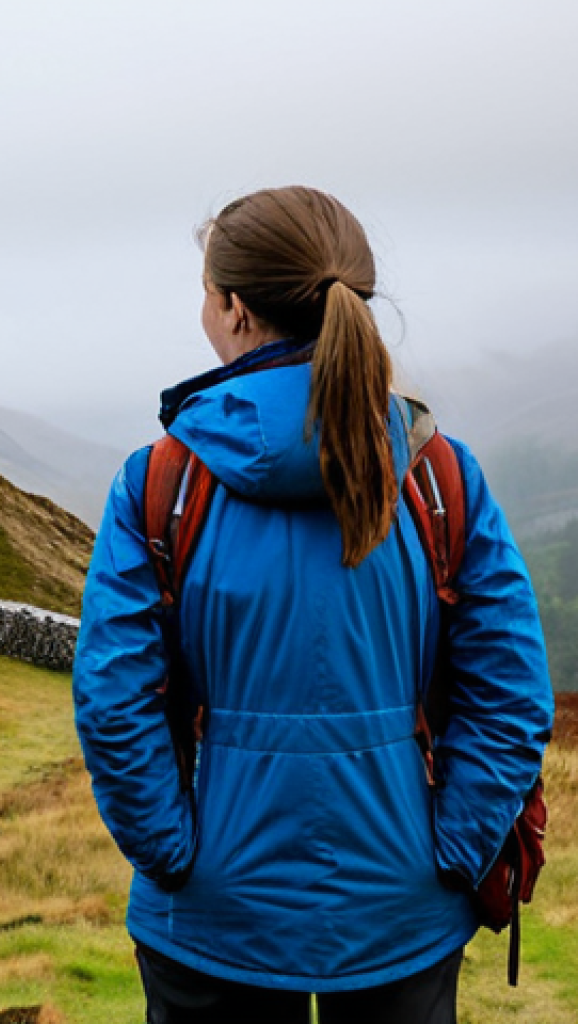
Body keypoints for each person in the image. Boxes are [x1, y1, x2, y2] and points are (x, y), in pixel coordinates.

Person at [72, 186, 554, 1023]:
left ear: (232, 309)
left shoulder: (160, 482)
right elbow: (510, 696)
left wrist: (176, 856)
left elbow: (116, 701)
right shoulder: (441, 476)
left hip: (211, 924)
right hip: (403, 920)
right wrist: (448, 853)